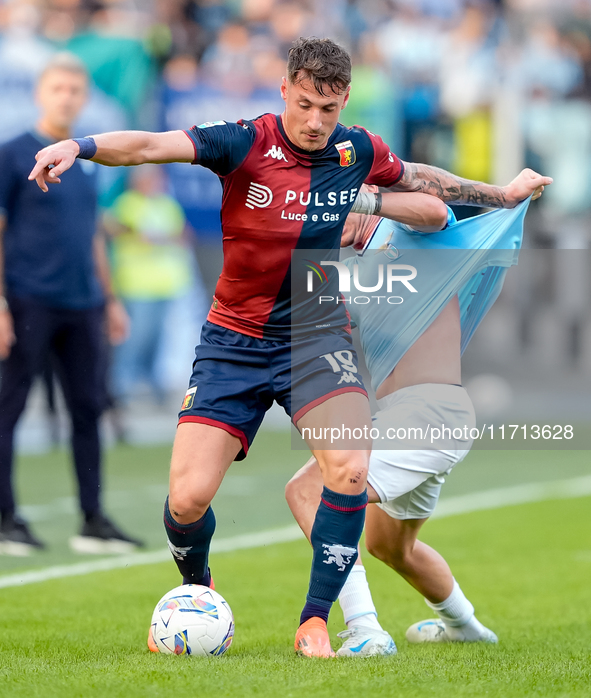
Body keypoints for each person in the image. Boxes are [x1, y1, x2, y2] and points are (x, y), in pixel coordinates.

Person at [28, 38, 550, 657]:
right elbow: (149, 146)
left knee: (349, 469)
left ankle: (319, 622)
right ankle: (200, 592)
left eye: (327, 109)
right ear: (285, 90)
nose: (314, 122)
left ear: (344, 101)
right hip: (233, 340)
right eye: (304, 104)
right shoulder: (243, 141)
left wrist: (501, 194)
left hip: (314, 334)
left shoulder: (358, 150)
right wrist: (78, 146)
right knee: (187, 499)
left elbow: (429, 187)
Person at [285, 184, 535, 656]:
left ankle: (365, 629)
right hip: (413, 419)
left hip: (430, 415)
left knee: (308, 490)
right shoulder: (351, 267)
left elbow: (436, 211)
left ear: (372, 194)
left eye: (346, 201)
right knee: (389, 546)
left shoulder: (412, 232)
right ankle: (466, 626)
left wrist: (506, 193)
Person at [0, 53, 143, 556]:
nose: (67, 96)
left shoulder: (82, 161)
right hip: (28, 300)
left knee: (88, 410)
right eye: (58, 88)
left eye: (75, 90)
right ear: (41, 92)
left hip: (83, 303)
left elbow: (93, 236)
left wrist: (111, 300)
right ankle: (6, 520)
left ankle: (92, 520)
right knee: (8, 409)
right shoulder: (13, 153)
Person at [104, 164, 194, 404]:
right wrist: (144, 235)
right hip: (137, 284)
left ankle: (152, 384)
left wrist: (157, 238)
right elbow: (113, 227)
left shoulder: (167, 204)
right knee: (135, 338)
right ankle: (120, 386)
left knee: (157, 338)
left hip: (166, 283)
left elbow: (183, 234)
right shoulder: (128, 203)